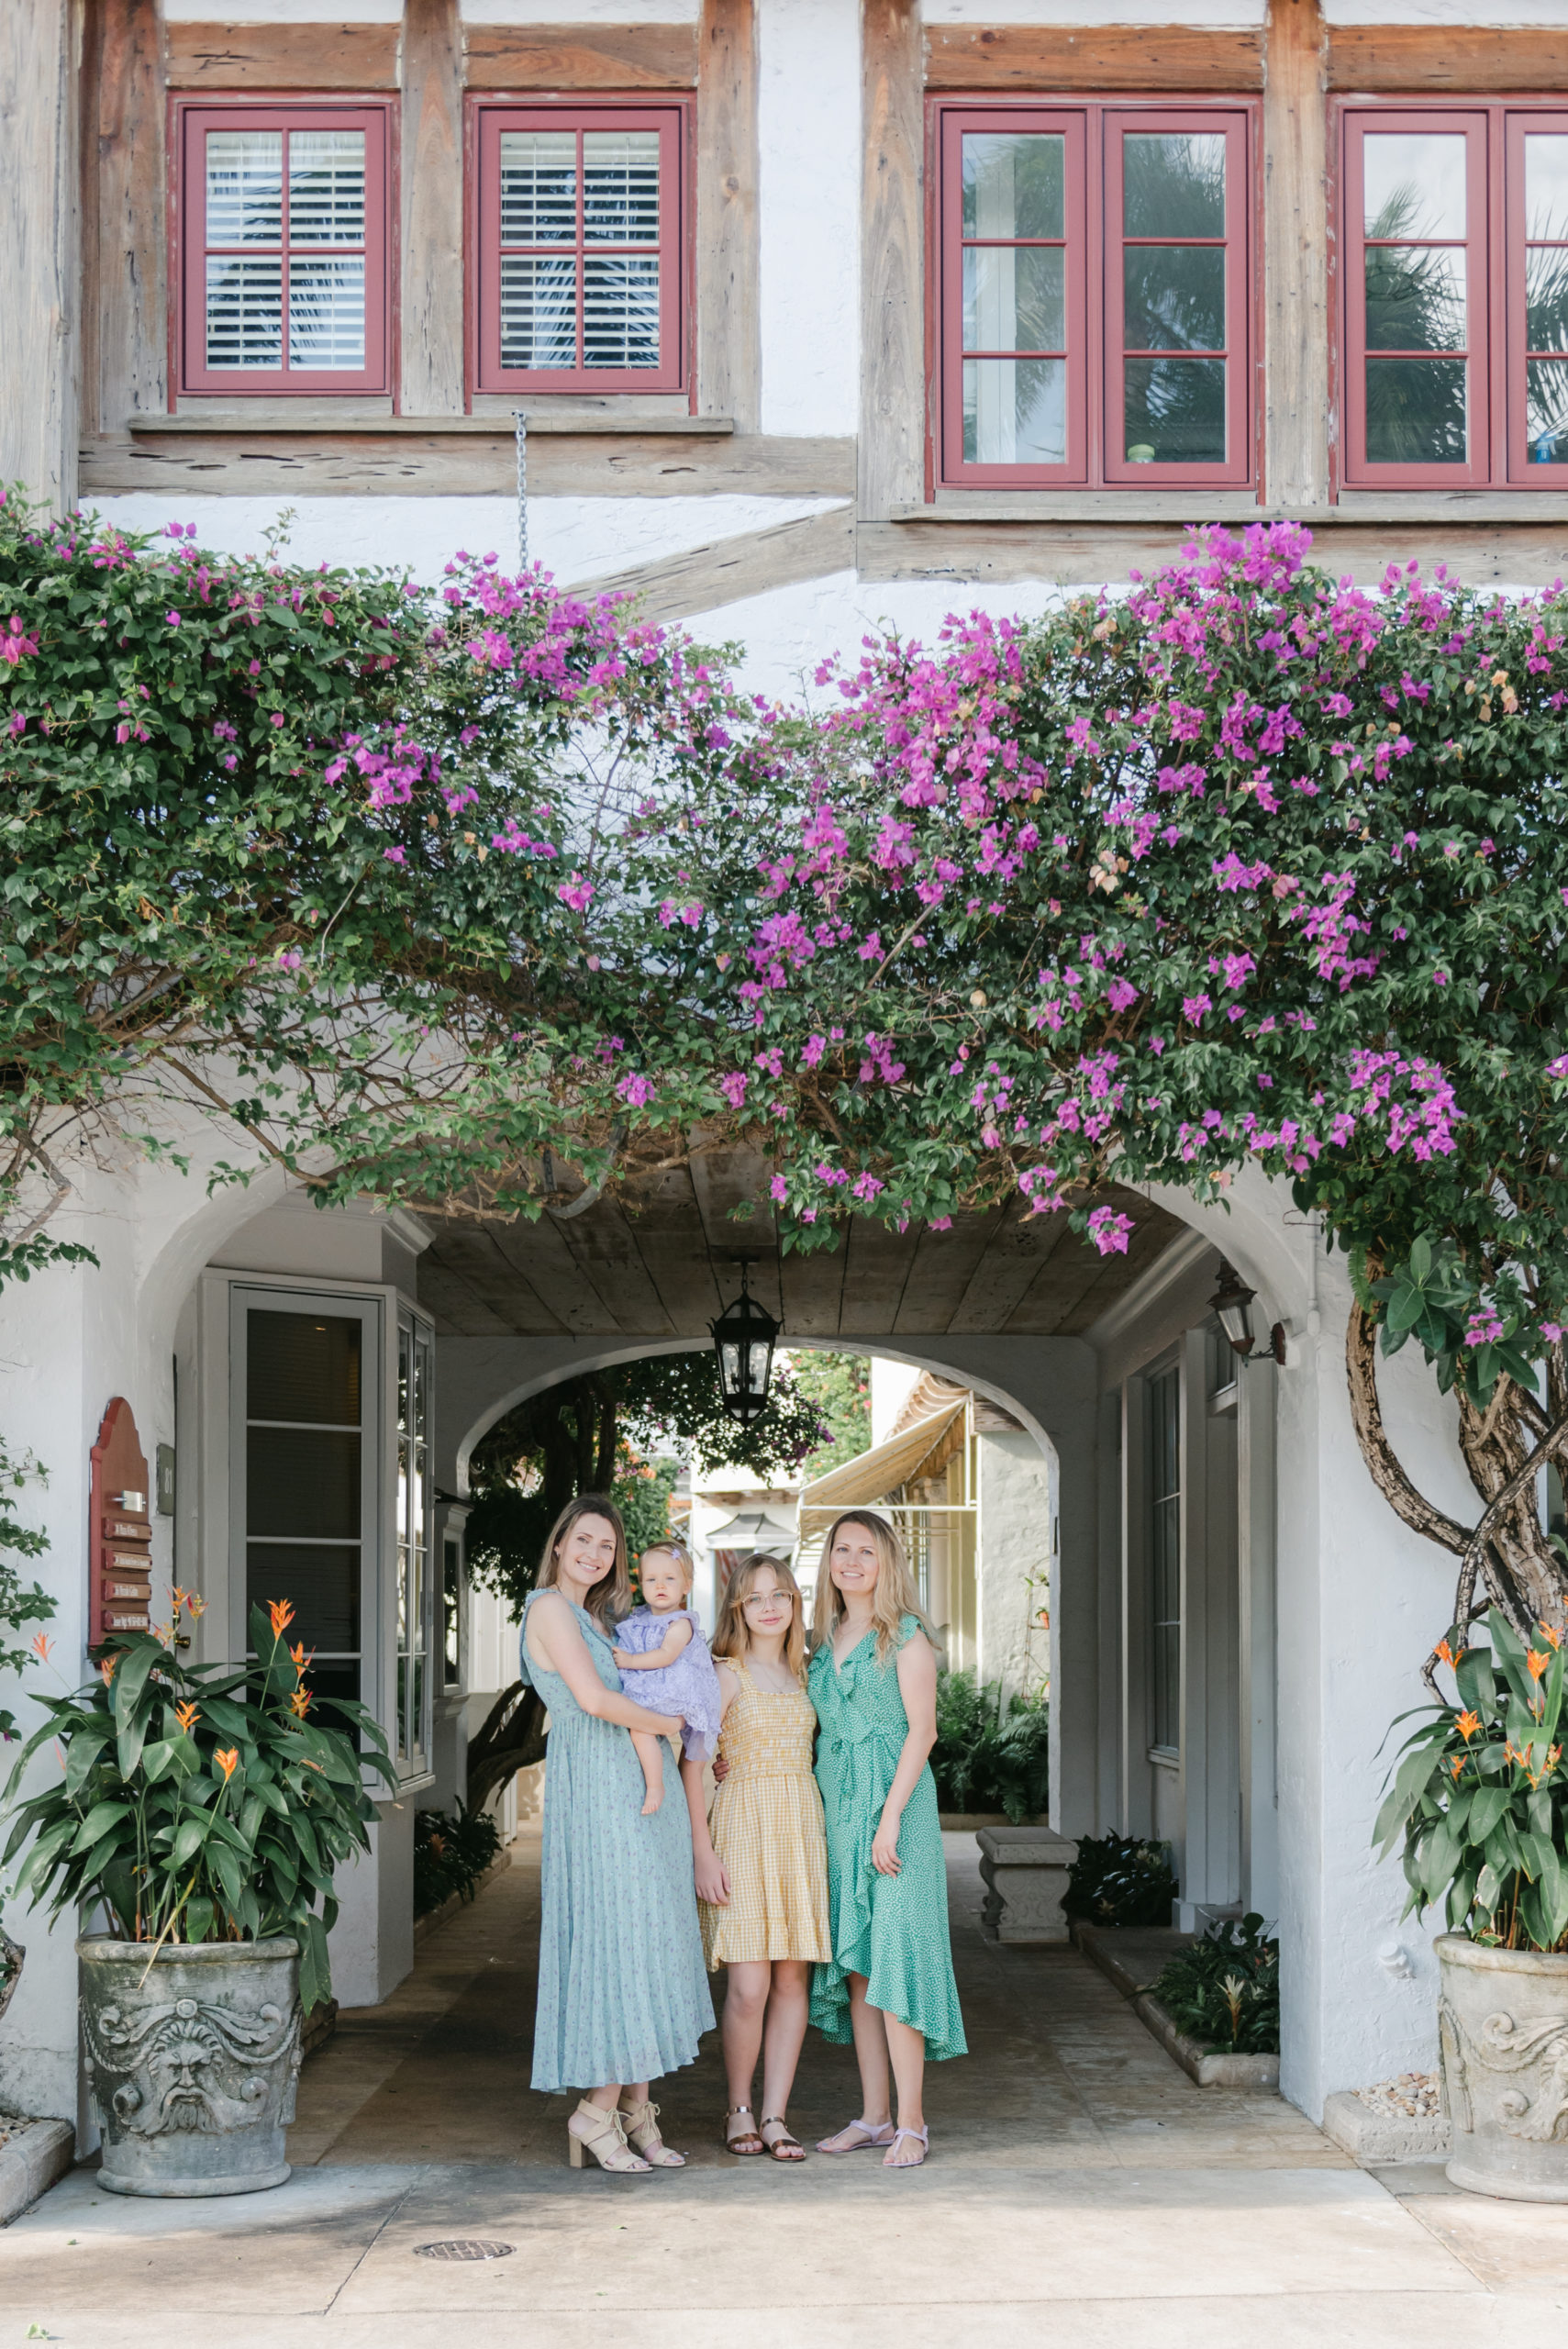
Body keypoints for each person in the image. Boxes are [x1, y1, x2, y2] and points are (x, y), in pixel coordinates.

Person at [517, 1495, 716, 2174]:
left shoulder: (596, 1618)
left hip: (634, 1788)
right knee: (623, 1941)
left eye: (606, 1546)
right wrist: (670, 1728)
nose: (594, 1554)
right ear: (560, 1543)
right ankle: (596, 2112)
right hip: (603, 1791)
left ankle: (636, 2112)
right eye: (584, 1540)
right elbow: (597, 1701)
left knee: (649, 1938)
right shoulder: (548, 1608)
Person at [808, 1509, 966, 2170]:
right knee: (860, 1969)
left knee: (897, 1958)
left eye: (865, 1551)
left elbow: (922, 1733)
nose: (851, 1561)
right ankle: (873, 2117)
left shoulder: (904, 1638)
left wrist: (891, 1816)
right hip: (837, 1813)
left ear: (886, 1564)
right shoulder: (819, 1643)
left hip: (894, 1812)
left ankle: (911, 2123)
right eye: (841, 1550)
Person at [682, 1553, 830, 2165]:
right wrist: (700, 1851)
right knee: (749, 1985)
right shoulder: (724, 1674)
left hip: (799, 1827)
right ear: (738, 1608)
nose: (769, 1606)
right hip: (741, 1829)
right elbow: (694, 1764)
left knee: (791, 1978)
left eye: (781, 1595)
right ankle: (738, 2107)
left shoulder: (807, 1674)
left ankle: (775, 2115)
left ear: (795, 1604)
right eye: (755, 1596)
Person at [613, 1541, 723, 1813]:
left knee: (640, 1728)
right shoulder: (637, 1619)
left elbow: (666, 1655)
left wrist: (630, 1661)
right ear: (641, 1584)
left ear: (686, 1586)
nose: (660, 1586)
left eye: (669, 1579)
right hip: (652, 1685)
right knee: (636, 1728)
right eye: (651, 1579)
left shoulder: (681, 1623)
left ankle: (655, 1785)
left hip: (675, 1687)